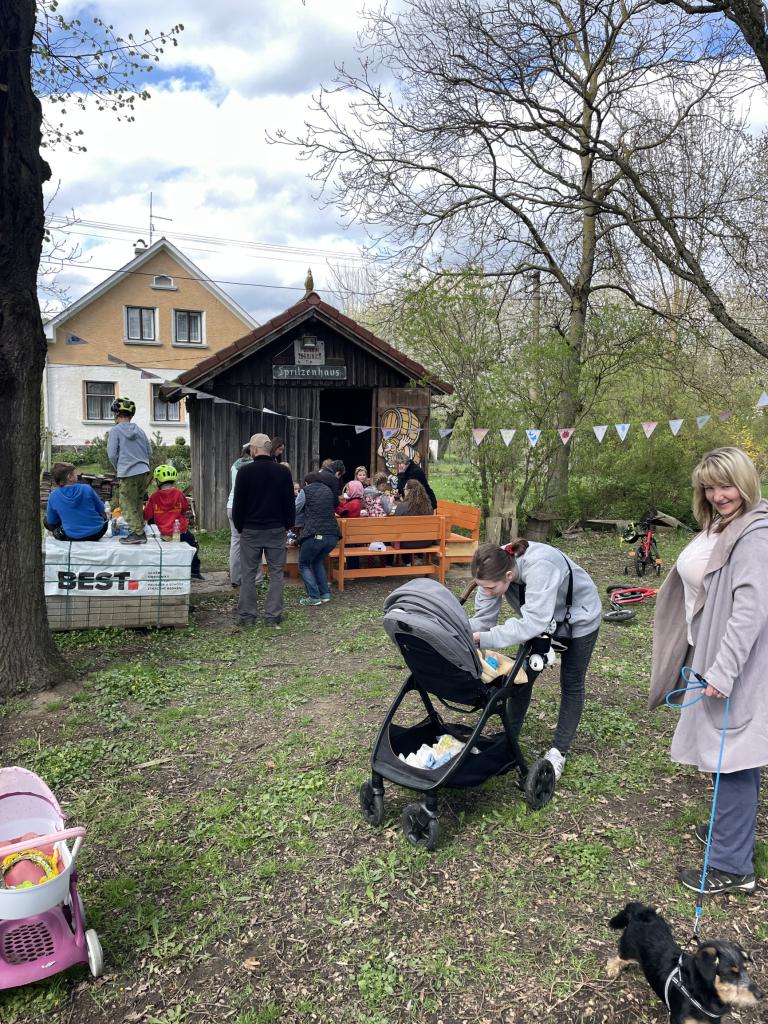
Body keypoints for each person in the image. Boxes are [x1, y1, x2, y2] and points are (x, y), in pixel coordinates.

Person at [649, 446, 768, 895]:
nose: (719, 495)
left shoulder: (754, 535)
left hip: (734, 663)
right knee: (731, 755)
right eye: (710, 487)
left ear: (747, 482)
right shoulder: (725, 523)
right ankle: (728, 835)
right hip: (712, 653)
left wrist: (723, 671)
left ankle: (732, 868)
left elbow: (750, 611)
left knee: (731, 756)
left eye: (727, 485)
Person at [468, 539, 602, 780]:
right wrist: (460, 631)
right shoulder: (490, 569)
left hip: (579, 617)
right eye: (482, 587)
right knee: (520, 678)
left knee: (571, 683)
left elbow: (532, 623)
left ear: (509, 575)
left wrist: (483, 639)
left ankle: (558, 751)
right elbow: (484, 621)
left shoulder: (541, 566)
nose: (486, 592)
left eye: (490, 588)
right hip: (542, 621)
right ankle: (509, 739)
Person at [231, 433, 295, 627]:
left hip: (251, 529)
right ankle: (272, 616)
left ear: (254, 449)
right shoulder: (283, 472)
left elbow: (238, 504)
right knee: (276, 573)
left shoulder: (244, 472)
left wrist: (240, 526)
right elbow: (289, 503)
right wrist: (287, 525)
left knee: (248, 574)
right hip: (276, 529)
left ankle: (247, 616)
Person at [143, 465, 204, 579]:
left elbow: (147, 515)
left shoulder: (154, 497)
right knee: (193, 546)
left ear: (158, 481)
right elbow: (184, 509)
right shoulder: (179, 494)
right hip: (181, 531)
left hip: (165, 534)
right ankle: (194, 571)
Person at [107, 397, 151, 545]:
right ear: (131, 415)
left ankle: (137, 533)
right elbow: (149, 451)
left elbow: (112, 454)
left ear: (116, 414)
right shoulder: (140, 431)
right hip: (143, 471)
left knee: (126, 502)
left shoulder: (115, 431)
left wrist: (119, 467)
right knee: (137, 502)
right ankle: (139, 529)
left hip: (128, 471)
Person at [297, 471, 340, 606]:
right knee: (317, 561)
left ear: (306, 483)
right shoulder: (328, 490)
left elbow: (296, 508)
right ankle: (325, 594)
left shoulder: (306, 491)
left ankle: (314, 596)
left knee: (303, 564)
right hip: (332, 535)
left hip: (315, 535)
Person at [227, 443, 262, 589]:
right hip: (247, 508)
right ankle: (256, 579)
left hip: (231, 505)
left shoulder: (234, 465)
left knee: (235, 542)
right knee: (255, 541)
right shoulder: (253, 466)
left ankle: (235, 578)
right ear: (253, 451)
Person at [44, 463, 108, 542]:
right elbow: (101, 509)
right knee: (102, 514)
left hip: (72, 536)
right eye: (75, 473)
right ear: (70, 477)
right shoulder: (86, 488)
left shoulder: (53, 496)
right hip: (98, 532)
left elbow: (51, 521)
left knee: (46, 520)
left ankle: (62, 531)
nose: (77, 475)